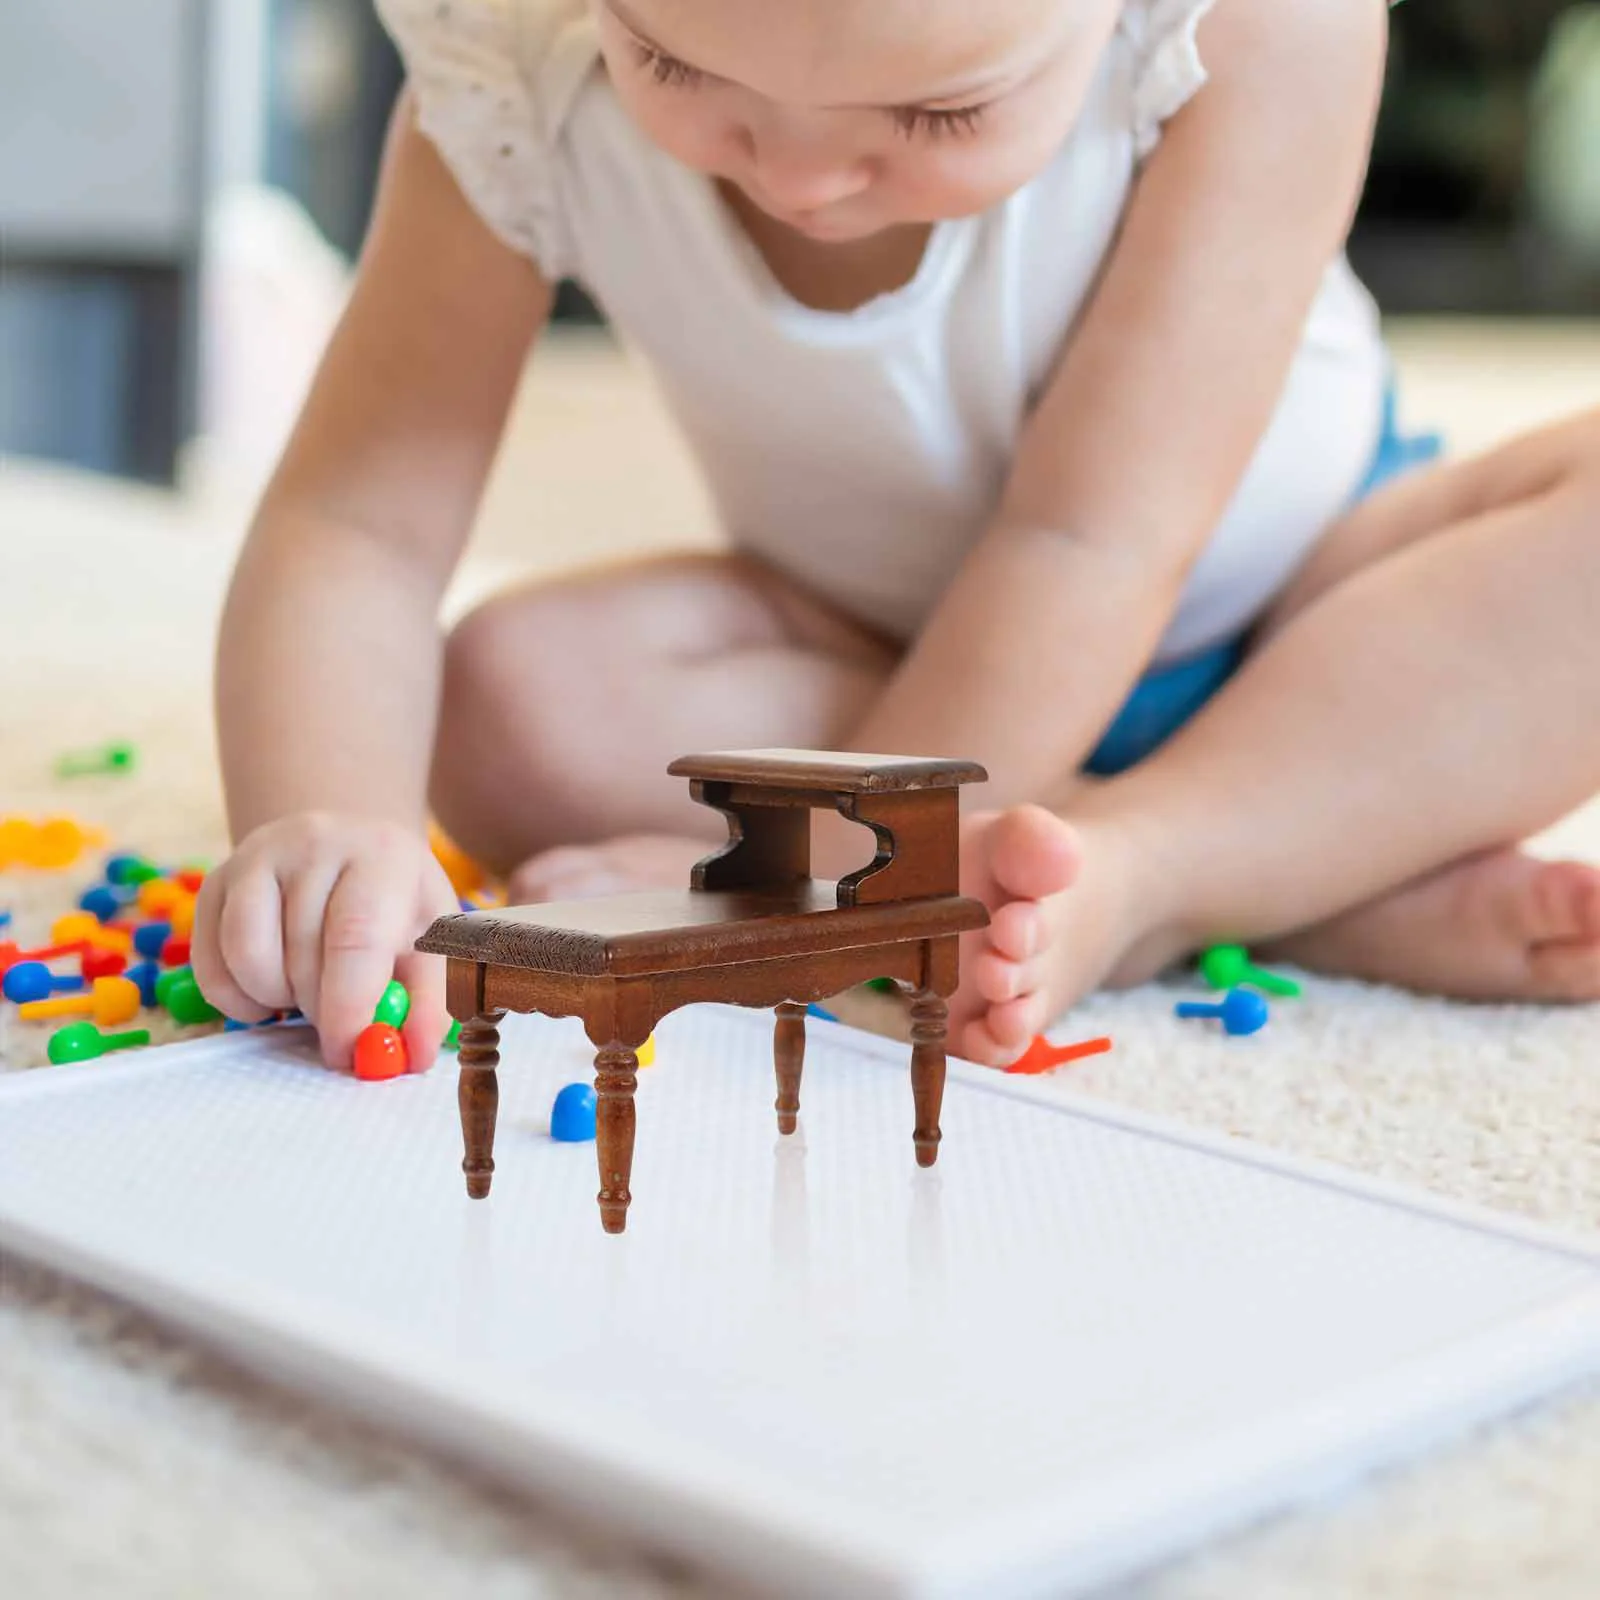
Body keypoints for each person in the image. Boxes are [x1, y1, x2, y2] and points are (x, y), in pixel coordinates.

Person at [195, 0, 1600, 1073]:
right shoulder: (516, 63)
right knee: (506, 696)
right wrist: (325, 818)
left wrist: (799, 889)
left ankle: (1156, 871)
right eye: (676, 67)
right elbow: (355, 522)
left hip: (1317, 606)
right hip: (878, 657)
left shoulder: (1256, 26)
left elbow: (1088, 541)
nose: (802, 179)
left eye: (938, 113)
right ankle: (1291, 860)